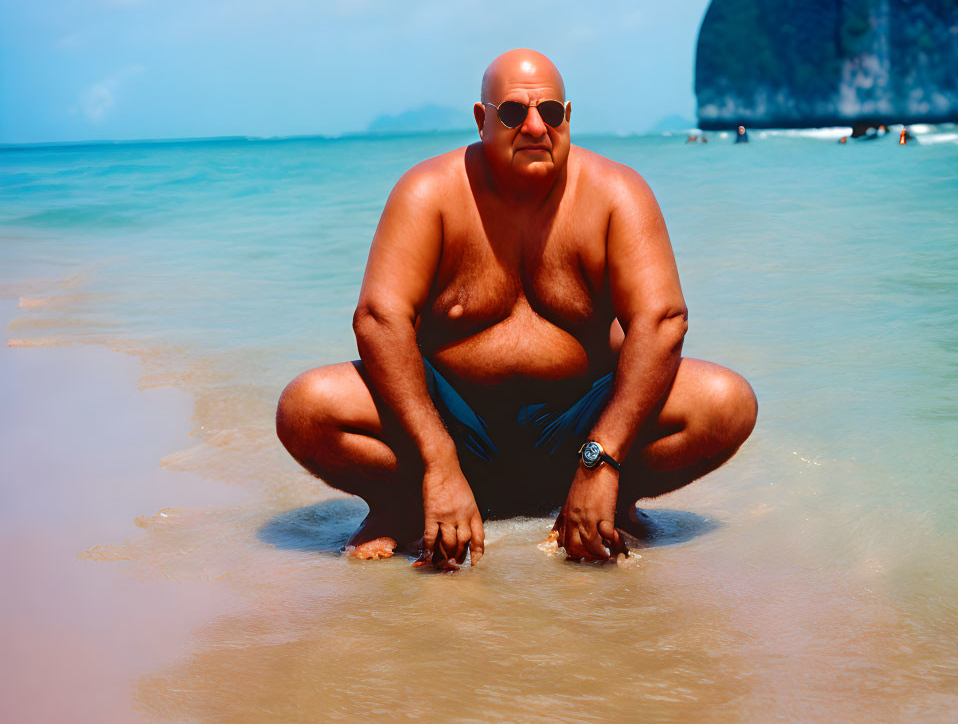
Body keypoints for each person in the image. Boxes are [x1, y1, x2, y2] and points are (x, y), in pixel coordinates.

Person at [275, 49, 757, 567]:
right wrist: (437, 460)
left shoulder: (616, 194)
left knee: (725, 402)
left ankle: (608, 503)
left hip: (580, 425)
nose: (534, 127)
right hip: (448, 424)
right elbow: (378, 319)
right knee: (308, 407)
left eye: (549, 113)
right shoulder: (430, 192)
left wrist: (602, 459)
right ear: (483, 121)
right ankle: (403, 504)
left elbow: (662, 321)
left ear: (567, 118)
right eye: (512, 113)